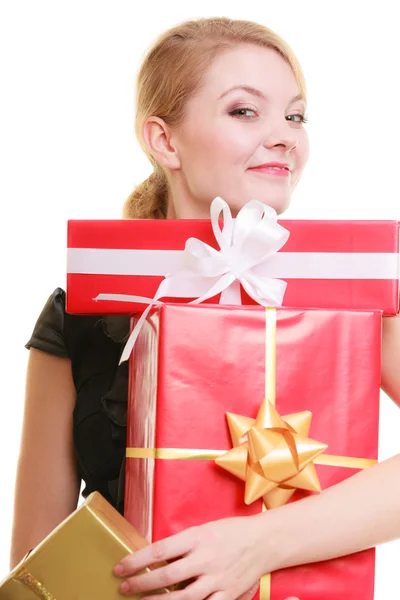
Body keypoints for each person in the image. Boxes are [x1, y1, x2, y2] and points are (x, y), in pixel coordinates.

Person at [10, 16, 400, 600]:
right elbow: (35, 569)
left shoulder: (354, 296)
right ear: (165, 140)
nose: (284, 136)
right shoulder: (87, 308)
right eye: (245, 111)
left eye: (295, 116)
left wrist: (259, 544)